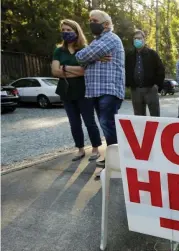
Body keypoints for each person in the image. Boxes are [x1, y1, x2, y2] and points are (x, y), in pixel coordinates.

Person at [75, 10, 125, 174]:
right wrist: (96, 57)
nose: (91, 23)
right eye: (89, 20)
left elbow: (82, 56)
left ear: (105, 24)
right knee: (107, 124)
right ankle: (115, 158)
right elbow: (83, 57)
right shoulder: (97, 41)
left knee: (107, 123)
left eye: (94, 20)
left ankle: (116, 159)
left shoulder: (110, 38)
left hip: (108, 89)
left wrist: (91, 57)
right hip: (98, 90)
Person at [51, 19, 102, 162]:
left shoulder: (85, 49)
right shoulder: (59, 51)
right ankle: (80, 149)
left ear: (76, 31)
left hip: (84, 91)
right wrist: (75, 71)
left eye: (69, 30)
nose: (66, 33)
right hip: (66, 92)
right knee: (74, 123)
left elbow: (84, 71)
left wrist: (65, 68)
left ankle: (95, 148)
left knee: (89, 122)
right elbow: (55, 71)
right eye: (63, 30)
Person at [125, 30, 165, 116]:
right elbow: (126, 70)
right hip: (135, 90)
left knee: (155, 116)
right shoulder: (129, 55)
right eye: (135, 38)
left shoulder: (152, 54)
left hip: (150, 89)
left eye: (139, 38)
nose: (137, 40)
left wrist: (157, 85)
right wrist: (128, 84)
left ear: (144, 39)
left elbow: (161, 69)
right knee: (139, 117)